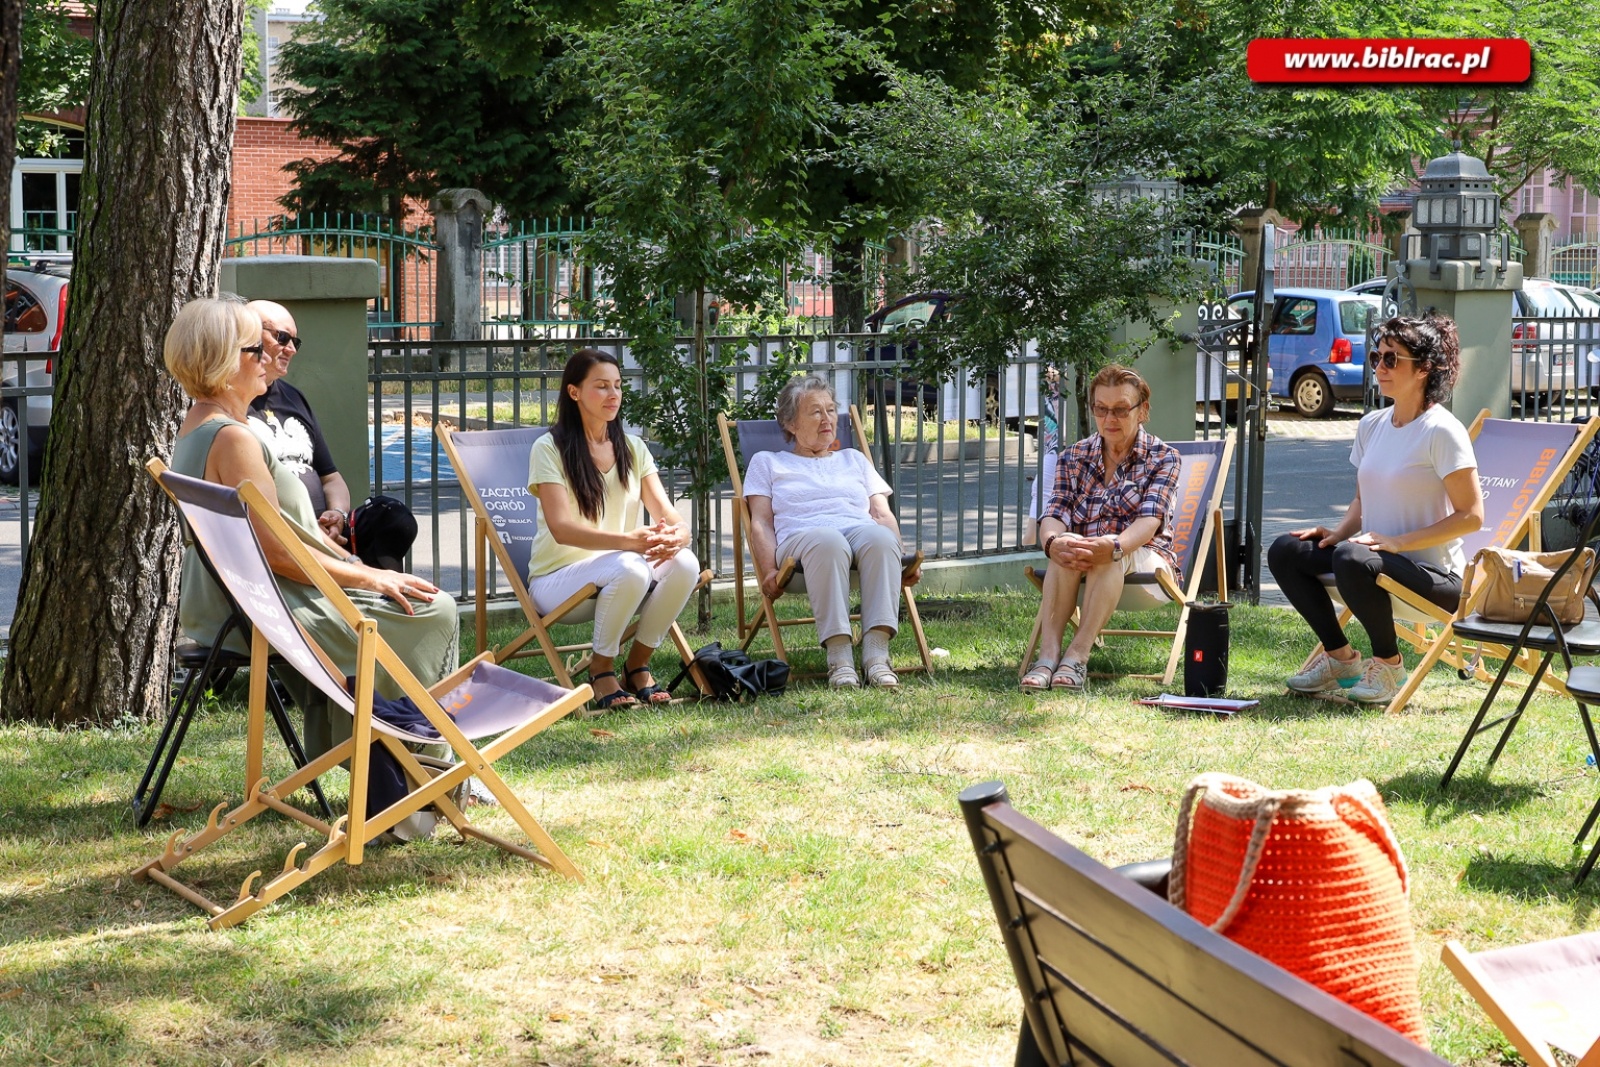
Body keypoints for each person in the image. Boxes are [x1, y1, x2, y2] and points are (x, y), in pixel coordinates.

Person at [164, 297, 459, 757]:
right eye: (253, 349)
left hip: (241, 602)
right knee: (435, 609)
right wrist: (372, 575)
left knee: (407, 595)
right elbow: (277, 554)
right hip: (269, 606)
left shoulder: (201, 427)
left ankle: (383, 755)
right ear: (225, 361)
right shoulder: (234, 439)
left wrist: (354, 562)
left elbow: (285, 537)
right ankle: (422, 764)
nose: (267, 358)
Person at [1268, 312, 1482, 705]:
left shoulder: (1442, 430)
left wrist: (1398, 543)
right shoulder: (1371, 425)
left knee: (1353, 557)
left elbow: (1472, 515)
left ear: (1423, 369)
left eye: (1391, 359)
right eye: (1376, 357)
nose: (1380, 368)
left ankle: (1388, 664)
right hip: (1372, 563)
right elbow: (1363, 501)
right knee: (1286, 549)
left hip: (1437, 579)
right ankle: (1340, 659)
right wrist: (1337, 533)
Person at [527, 349, 699, 711]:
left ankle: (637, 665)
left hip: (622, 572)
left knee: (685, 563)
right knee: (630, 565)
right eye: (602, 386)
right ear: (574, 392)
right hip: (556, 583)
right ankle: (601, 669)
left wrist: (679, 535)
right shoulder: (549, 448)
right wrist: (629, 543)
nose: (613, 395)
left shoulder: (633, 448)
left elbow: (668, 515)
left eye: (618, 386)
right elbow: (561, 529)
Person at [743, 375, 922, 689]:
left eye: (830, 410)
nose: (827, 419)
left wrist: (901, 558)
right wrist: (768, 571)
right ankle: (840, 661)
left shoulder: (853, 459)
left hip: (858, 541)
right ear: (790, 424)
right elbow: (761, 522)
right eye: (815, 412)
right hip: (800, 548)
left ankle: (876, 657)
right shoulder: (768, 462)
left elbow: (881, 513)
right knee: (828, 539)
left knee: (881, 538)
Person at [1022, 364, 1181, 693]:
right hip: (1084, 559)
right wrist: (1053, 543)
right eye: (1101, 409)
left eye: (1121, 409)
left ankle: (1077, 656)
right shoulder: (1074, 457)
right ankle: (1048, 655)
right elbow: (1054, 512)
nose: (1110, 418)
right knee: (1065, 545)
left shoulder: (1163, 458)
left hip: (1146, 560)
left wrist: (1115, 546)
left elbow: (1149, 522)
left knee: (1108, 551)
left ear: (1143, 411)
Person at [244, 299, 417, 571]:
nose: (291, 349)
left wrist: (336, 514)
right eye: (283, 337)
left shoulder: (293, 397)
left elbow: (331, 477)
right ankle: (378, 590)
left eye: (295, 342)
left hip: (324, 532)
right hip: (286, 539)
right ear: (248, 336)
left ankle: (386, 596)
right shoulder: (232, 406)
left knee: (393, 517)